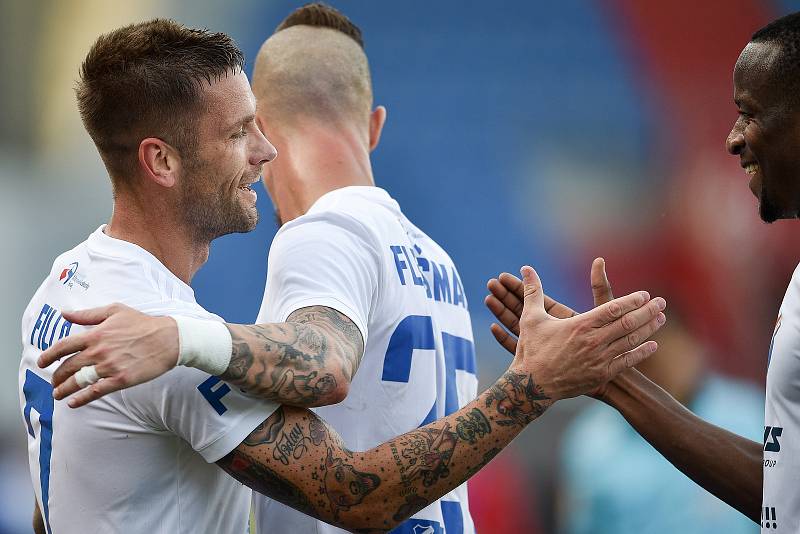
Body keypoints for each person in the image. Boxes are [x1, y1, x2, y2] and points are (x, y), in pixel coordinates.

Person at [24, 15, 666, 534]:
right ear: (161, 161)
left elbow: (56, 487)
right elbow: (356, 493)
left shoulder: (61, 288)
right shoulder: (166, 339)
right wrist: (531, 385)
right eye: (240, 133)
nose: (267, 151)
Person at [488, 14, 800, 519]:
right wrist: (612, 380)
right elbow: (782, 494)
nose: (732, 138)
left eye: (749, 112)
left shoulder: (740, 403)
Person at [559, 311, 762, 534]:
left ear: (693, 345)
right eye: (649, 362)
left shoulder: (750, 414)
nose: (664, 371)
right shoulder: (590, 442)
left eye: (671, 355)